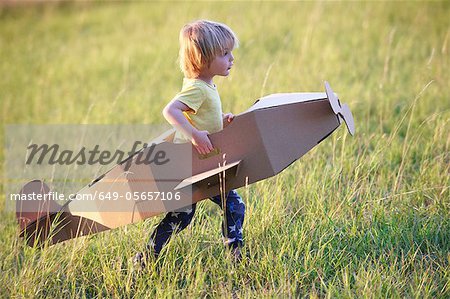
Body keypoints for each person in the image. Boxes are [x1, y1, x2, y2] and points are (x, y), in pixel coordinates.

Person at [134, 20, 245, 269]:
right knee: (184, 215)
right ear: (203, 58)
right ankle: (145, 258)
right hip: (194, 166)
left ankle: (235, 254)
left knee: (227, 206)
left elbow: (198, 115)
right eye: (224, 54)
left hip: (205, 164)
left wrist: (220, 122)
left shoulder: (205, 86)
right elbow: (170, 110)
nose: (231, 58)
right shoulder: (198, 88)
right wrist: (195, 135)